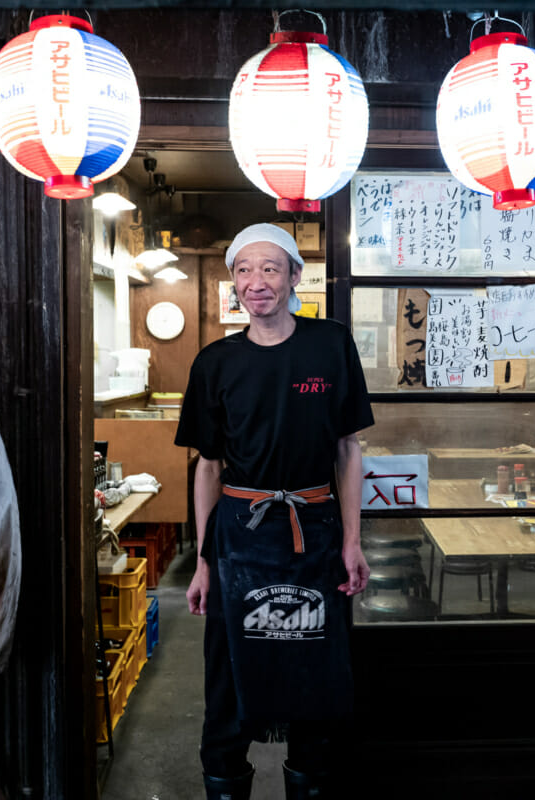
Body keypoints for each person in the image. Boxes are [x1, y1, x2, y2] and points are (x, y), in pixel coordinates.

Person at [174, 223, 374, 800]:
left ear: (293, 277)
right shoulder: (215, 362)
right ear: (232, 282)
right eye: (242, 270)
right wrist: (204, 563)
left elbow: (348, 449)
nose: (254, 282)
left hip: (314, 530)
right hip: (240, 535)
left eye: (268, 269)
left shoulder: (329, 344)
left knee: (315, 676)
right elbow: (208, 468)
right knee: (227, 679)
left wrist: (352, 541)